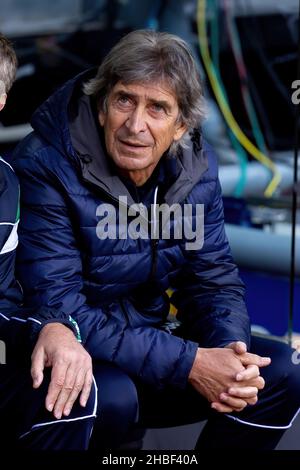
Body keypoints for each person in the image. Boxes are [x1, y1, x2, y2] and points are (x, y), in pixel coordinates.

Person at [11, 29, 300, 450]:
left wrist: (227, 353)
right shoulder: (45, 164)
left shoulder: (194, 169)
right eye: (124, 100)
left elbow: (212, 278)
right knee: (108, 396)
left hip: (150, 346)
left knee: (279, 375)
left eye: (157, 108)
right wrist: (190, 364)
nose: (135, 125)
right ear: (101, 103)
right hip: (68, 351)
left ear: (181, 123)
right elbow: (59, 308)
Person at [0, 32, 97, 451]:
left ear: (1, 101)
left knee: (76, 392)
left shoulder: (6, 183)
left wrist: (53, 329)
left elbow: (2, 303)